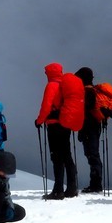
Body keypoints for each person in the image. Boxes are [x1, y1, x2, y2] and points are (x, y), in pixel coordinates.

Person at [35, 63, 84, 199]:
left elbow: (46, 107)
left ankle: (58, 190)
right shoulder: (64, 84)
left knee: (56, 157)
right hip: (65, 123)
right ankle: (72, 188)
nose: (45, 74)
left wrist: (39, 121)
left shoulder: (52, 85)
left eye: (46, 72)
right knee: (66, 155)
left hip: (54, 125)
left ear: (50, 72)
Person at [75, 67, 104, 193]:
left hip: (89, 127)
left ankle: (96, 184)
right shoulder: (92, 90)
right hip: (93, 127)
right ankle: (95, 183)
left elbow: (87, 109)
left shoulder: (88, 92)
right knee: (92, 154)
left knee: (92, 154)